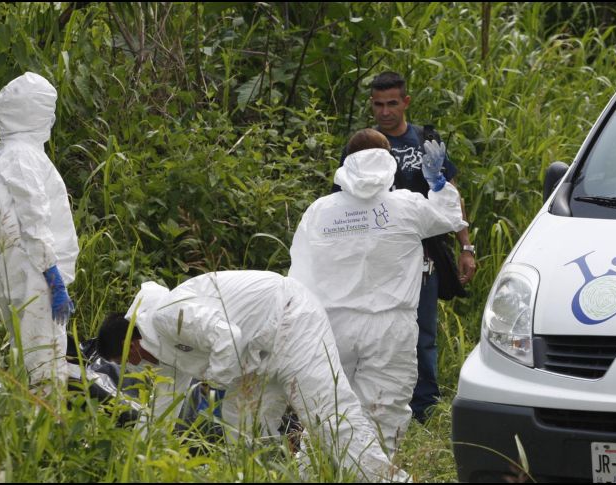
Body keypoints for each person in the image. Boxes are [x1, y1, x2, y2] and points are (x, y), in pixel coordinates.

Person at [96, 270, 405, 482]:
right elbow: (162, 410)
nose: (131, 368)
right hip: (255, 356)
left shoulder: (169, 315)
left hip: (290, 321)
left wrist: (213, 387)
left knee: (327, 417)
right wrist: (138, 455)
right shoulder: (160, 356)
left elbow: (227, 336)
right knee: (241, 431)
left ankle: (385, 478)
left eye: (125, 361)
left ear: (130, 345)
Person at [289, 128, 467, 454]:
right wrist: (438, 184)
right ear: (389, 162)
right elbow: (448, 218)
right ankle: (375, 472)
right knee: (383, 414)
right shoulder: (407, 206)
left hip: (332, 325)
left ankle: (319, 474)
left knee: (328, 411)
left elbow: (298, 275)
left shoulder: (319, 212)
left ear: (347, 164)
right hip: (390, 327)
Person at [333, 71, 477, 423]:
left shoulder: (424, 141)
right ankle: (376, 404)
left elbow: (450, 195)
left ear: (406, 102)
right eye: (378, 104)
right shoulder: (365, 144)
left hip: (424, 254)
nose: (384, 112)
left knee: (423, 330)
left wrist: (466, 245)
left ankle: (425, 406)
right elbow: (342, 200)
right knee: (379, 330)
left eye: (392, 103)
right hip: (378, 257)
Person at [0, 72, 78, 387]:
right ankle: (49, 430)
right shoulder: (22, 156)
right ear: (33, 111)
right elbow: (34, 216)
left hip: (22, 270)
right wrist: (52, 274)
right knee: (44, 360)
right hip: (35, 273)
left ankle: (25, 428)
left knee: (28, 358)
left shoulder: (10, 153)